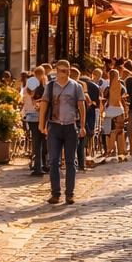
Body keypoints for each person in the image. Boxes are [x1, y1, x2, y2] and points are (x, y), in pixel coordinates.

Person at [39, 59, 85, 206]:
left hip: (70, 126)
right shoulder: (51, 86)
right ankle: (55, 193)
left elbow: (81, 106)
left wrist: (82, 126)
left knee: (71, 162)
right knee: (53, 161)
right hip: (54, 126)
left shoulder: (76, 86)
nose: (66, 73)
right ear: (57, 71)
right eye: (63, 70)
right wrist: (41, 124)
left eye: (68, 70)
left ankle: (69, 194)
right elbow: (44, 105)